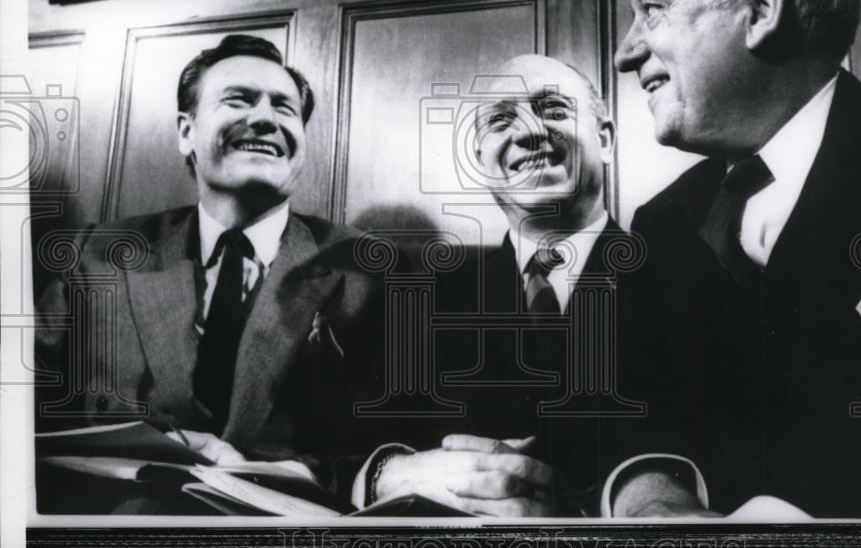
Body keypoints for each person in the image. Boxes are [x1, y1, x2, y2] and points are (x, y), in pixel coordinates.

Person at [608, 0, 861, 518]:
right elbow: (632, 418)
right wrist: (647, 495)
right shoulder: (660, 225)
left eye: (651, 9)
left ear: (759, 9)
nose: (626, 52)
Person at [34, 34, 384, 512]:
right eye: (238, 99)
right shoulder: (97, 255)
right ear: (186, 132)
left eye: (285, 108)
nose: (265, 118)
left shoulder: (368, 268)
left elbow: (393, 441)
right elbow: (23, 405)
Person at [354, 54, 650, 516]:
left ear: (606, 139)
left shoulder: (678, 275)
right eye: (500, 121)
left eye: (553, 110)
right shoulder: (424, 301)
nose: (528, 132)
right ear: (480, 160)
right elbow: (352, 447)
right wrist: (389, 473)